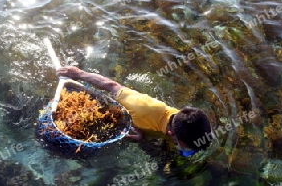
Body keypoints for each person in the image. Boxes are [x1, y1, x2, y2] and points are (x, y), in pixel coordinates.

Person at [56, 66, 212, 157]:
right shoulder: (142, 109)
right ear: (172, 135)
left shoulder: (186, 120)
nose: (186, 152)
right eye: (185, 150)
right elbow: (111, 85)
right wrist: (78, 74)